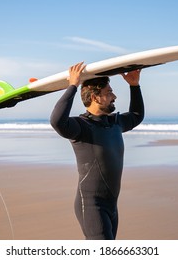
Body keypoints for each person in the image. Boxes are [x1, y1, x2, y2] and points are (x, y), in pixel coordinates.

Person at [50, 62, 144, 240]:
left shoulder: (115, 123)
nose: (114, 96)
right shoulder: (81, 127)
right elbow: (57, 121)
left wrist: (134, 86)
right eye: (109, 93)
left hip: (112, 205)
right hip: (92, 205)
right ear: (95, 97)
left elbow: (137, 116)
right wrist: (73, 86)